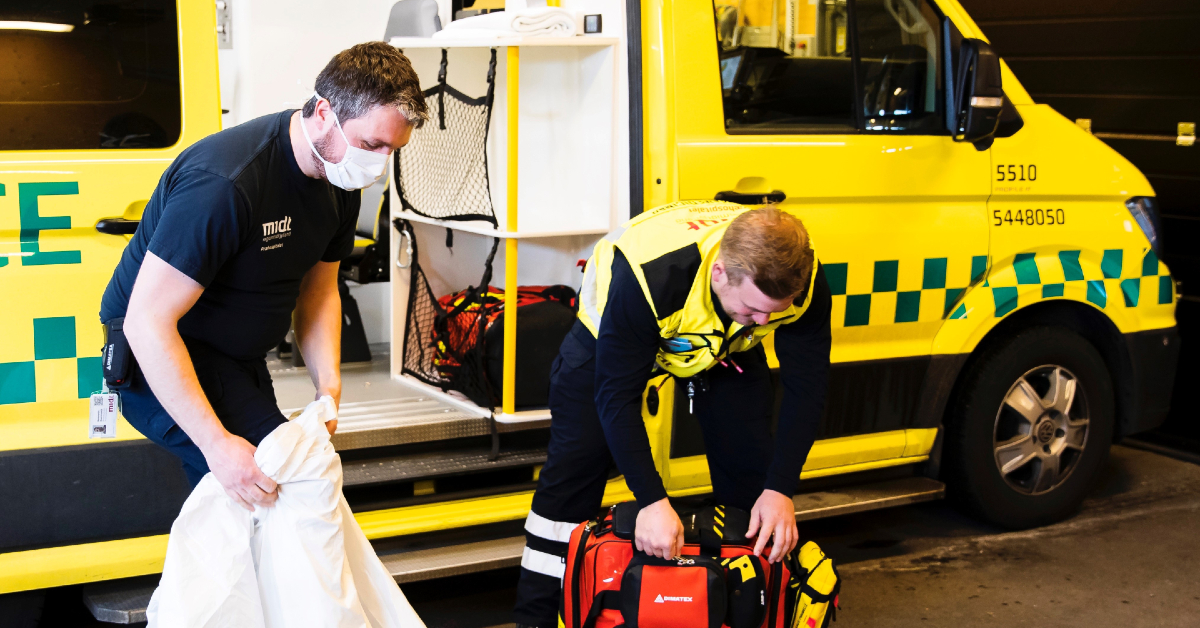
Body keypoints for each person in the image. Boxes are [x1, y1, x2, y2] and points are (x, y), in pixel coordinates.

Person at [98, 42, 428, 511]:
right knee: (278, 488)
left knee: (256, 501)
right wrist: (216, 446)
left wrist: (326, 388)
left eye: (393, 149)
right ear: (323, 112)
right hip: (160, 356)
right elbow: (147, 324)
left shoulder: (339, 177)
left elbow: (319, 292)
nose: (378, 164)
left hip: (236, 359)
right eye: (372, 144)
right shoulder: (226, 183)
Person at [512, 201, 833, 628]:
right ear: (720, 272)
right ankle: (535, 620)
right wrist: (652, 501)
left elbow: (807, 389)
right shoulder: (650, 275)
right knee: (572, 476)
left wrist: (780, 490)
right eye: (755, 309)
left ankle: (742, 608)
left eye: (775, 313)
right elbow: (615, 396)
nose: (765, 322)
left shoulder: (799, 277)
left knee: (754, 482)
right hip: (608, 340)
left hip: (721, 347)